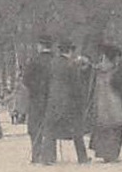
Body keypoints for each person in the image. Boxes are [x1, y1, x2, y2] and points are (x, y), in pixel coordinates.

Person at [40, 39, 90, 163]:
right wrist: (81, 101)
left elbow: (46, 82)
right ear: (69, 51)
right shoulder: (71, 65)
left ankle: (48, 157)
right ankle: (82, 157)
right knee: (77, 130)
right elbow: (76, 85)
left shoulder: (52, 63)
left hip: (53, 100)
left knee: (50, 129)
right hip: (70, 102)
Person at [89, 43, 122, 162]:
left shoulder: (98, 71)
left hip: (101, 104)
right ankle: (113, 154)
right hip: (115, 104)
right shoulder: (116, 71)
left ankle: (103, 152)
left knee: (103, 129)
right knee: (115, 129)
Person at [23, 35, 55, 164]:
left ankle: (36, 154)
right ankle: (50, 155)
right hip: (51, 98)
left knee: (35, 127)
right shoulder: (54, 60)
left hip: (36, 98)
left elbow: (26, 80)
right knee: (50, 126)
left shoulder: (34, 61)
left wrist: (34, 88)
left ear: (40, 46)